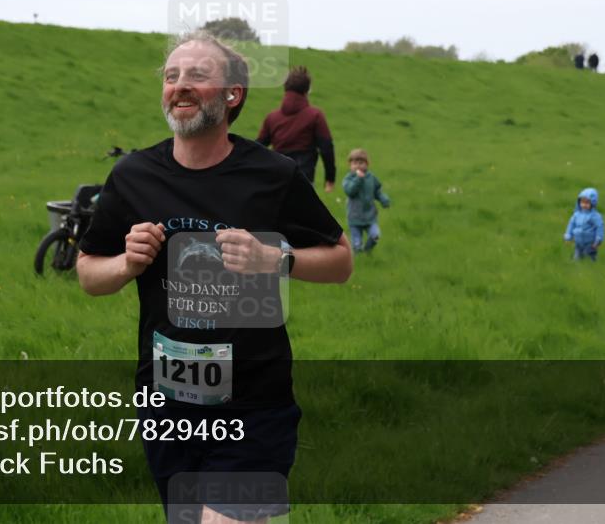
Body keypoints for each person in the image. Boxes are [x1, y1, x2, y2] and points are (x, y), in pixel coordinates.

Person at [76, 30, 352, 523]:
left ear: (232, 95)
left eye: (197, 75)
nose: (179, 85)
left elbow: (341, 260)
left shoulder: (272, 175)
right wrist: (126, 263)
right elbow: (89, 274)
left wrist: (277, 259)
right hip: (165, 403)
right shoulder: (134, 176)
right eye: (171, 76)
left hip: (253, 404)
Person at [256, 66, 337, 192]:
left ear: (285, 88)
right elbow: (326, 148)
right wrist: (330, 178)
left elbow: (257, 148)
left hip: (277, 181)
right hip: (304, 181)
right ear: (308, 90)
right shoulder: (315, 115)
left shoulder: (271, 118)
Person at [342, 149, 391, 254]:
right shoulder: (348, 179)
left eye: (361, 163)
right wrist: (358, 179)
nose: (358, 166)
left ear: (367, 164)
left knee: (375, 235)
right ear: (350, 165)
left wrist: (383, 199)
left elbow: (377, 191)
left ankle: (367, 250)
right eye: (355, 163)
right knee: (356, 244)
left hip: (370, 216)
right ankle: (358, 257)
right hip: (354, 217)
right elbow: (350, 191)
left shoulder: (371, 177)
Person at [563, 187, 604, 261]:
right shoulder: (576, 215)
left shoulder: (595, 216)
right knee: (577, 257)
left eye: (587, 203)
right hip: (578, 242)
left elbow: (599, 227)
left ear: (593, 203)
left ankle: (592, 267)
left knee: (589, 258)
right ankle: (577, 267)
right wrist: (568, 236)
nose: (584, 205)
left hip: (590, 243)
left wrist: (598, 239)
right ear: (579, 202)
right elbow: (571, 225)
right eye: (582, 202)